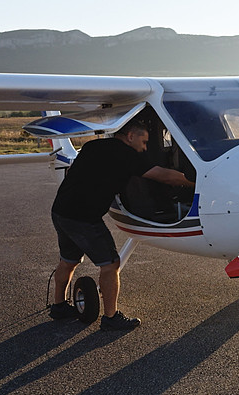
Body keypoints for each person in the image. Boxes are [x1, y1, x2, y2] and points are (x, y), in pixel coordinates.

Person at [49, 121, 195, 330]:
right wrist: (196, 182)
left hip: (61, 211)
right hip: (83, 218)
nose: (145, 147)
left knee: (68, 261)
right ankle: (111, 318)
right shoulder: (126, 156)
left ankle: (59, 307)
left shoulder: (92, 146)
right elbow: (164, 176)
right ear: (130, 136)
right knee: (110, 265)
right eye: (144, 142)